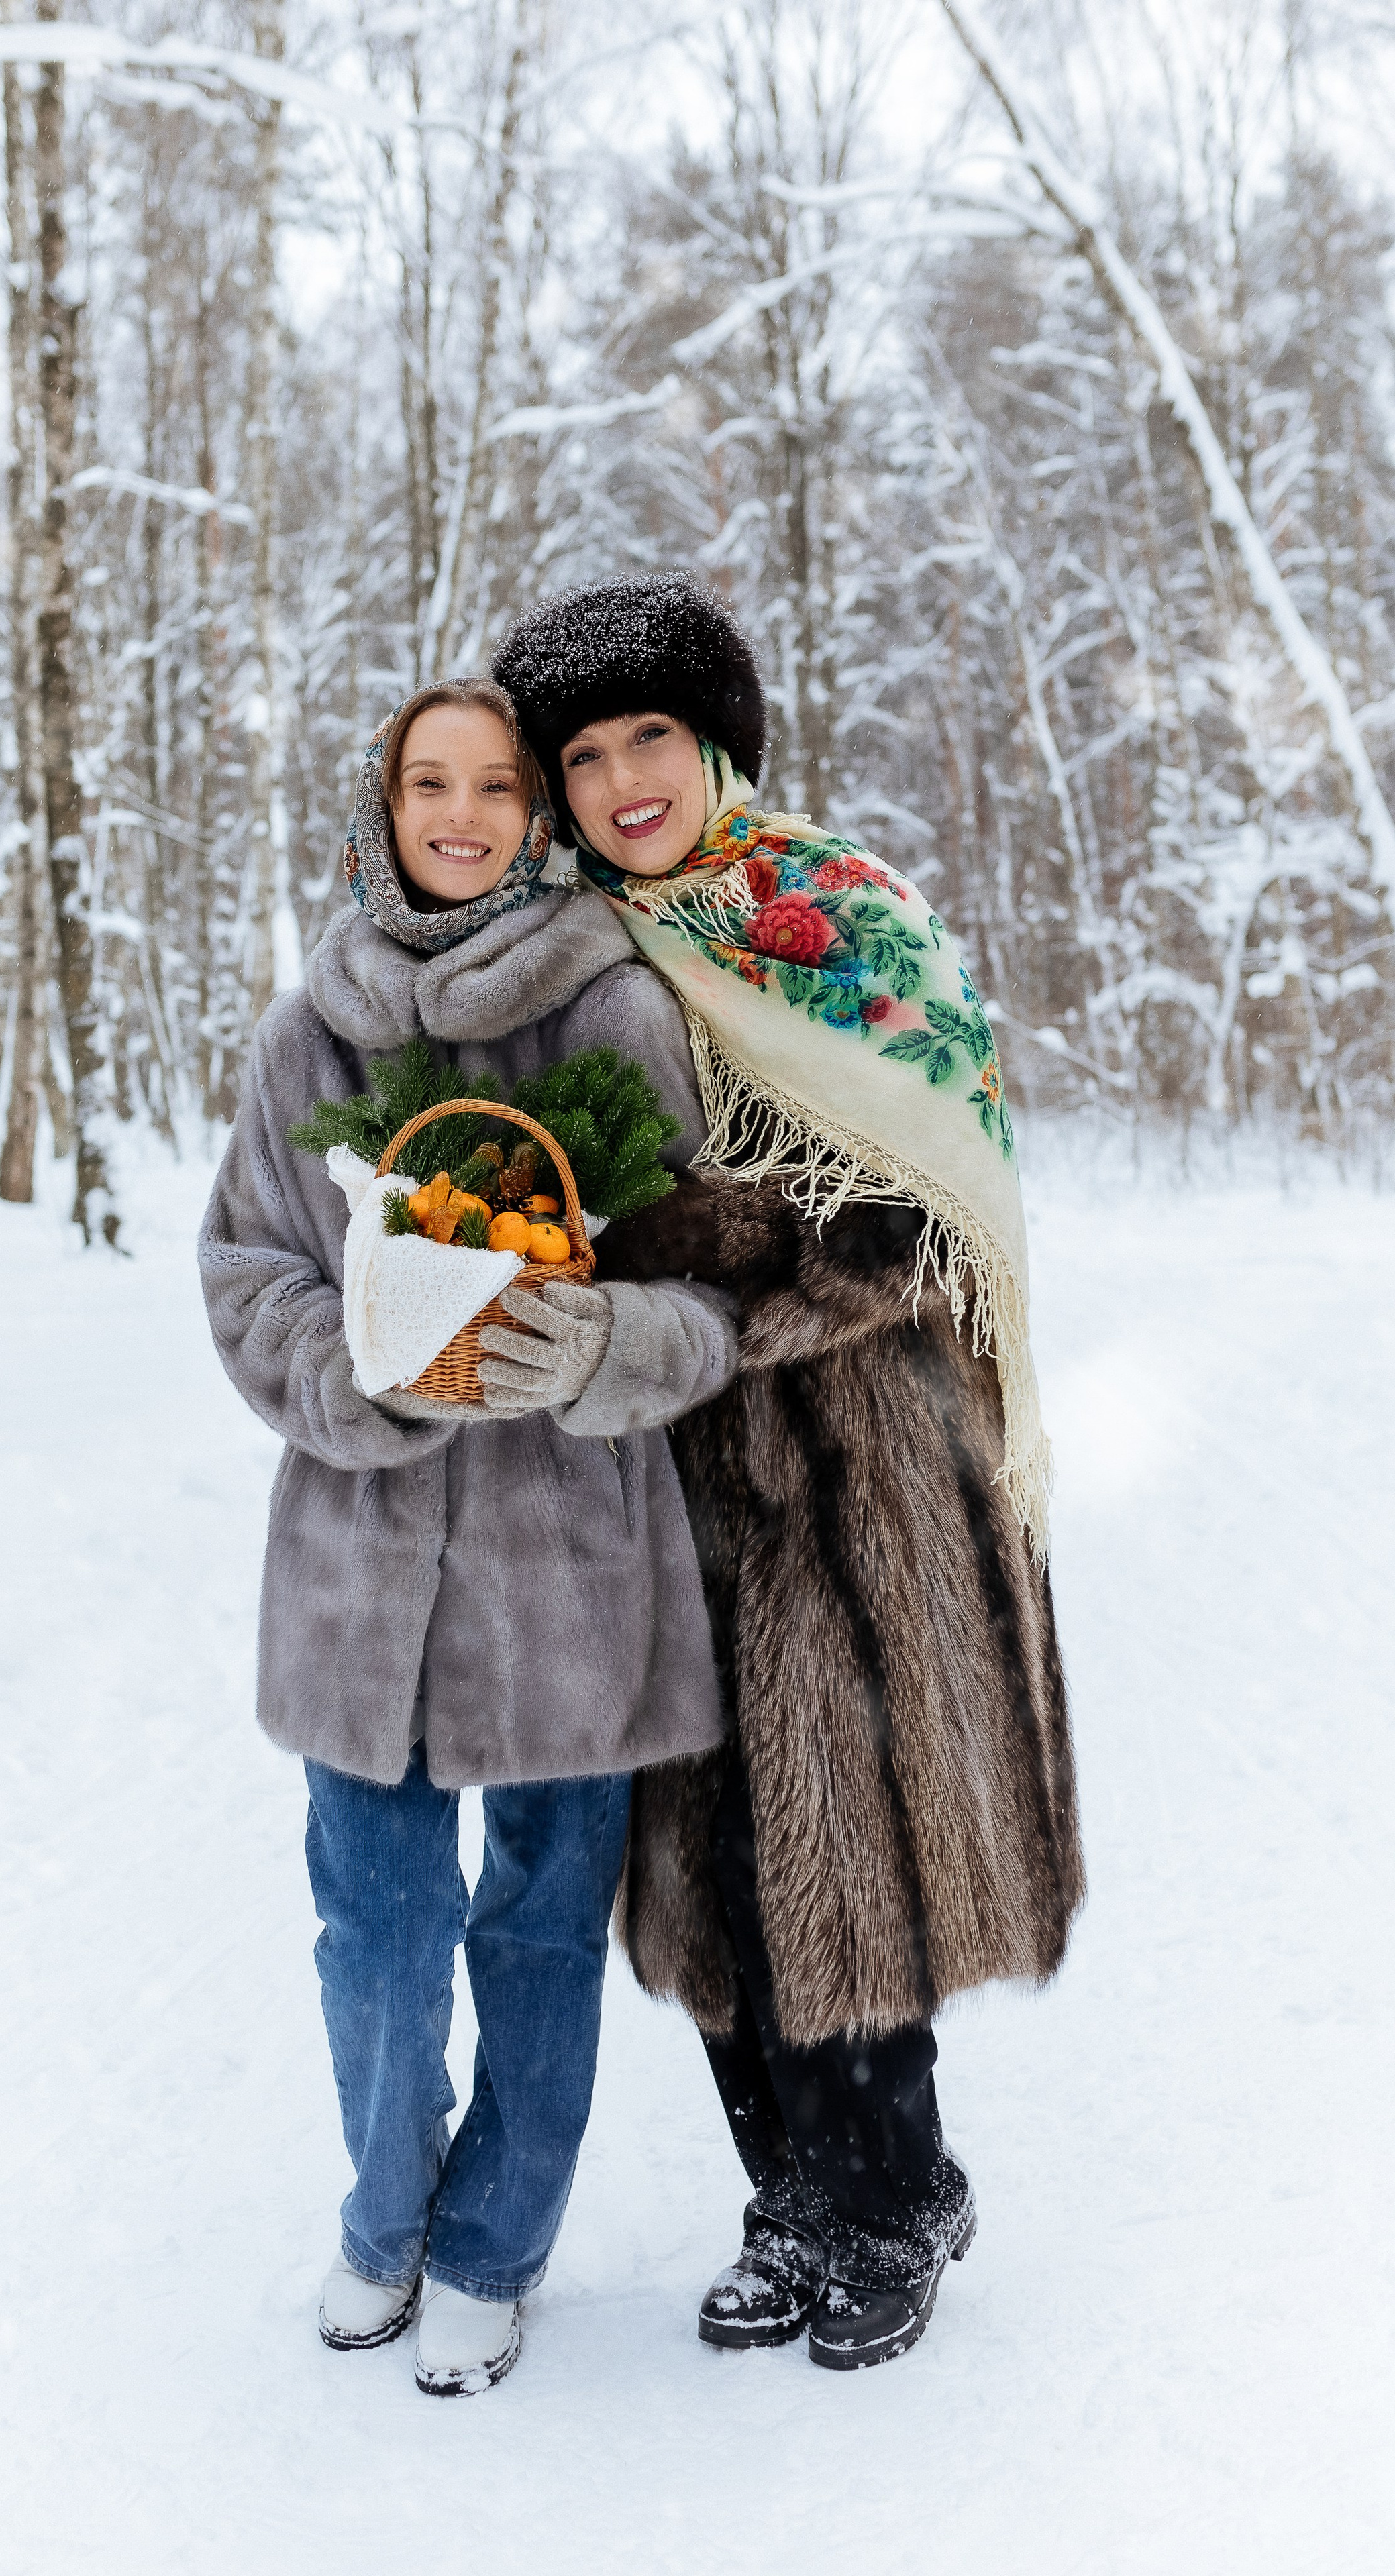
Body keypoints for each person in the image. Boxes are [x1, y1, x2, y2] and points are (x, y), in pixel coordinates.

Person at [493, 578, 1084, 2369]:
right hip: (656, 1460)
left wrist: (693, 1262)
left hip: (859, 1451)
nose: (622, 782)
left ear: (716, 742)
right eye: (583, 758)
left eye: (649, 738)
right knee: (708, 1864)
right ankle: (786, 2190)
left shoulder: (843, 919)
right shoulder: (574, 959)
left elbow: (926, 1206)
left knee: (855, 1834)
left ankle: (888, 2198)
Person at [197, 678, 737, 2395]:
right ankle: (381, 2212)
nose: (460, 813)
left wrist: (600, 1347)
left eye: (495, 785)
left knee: (535, 1929)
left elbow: (709, 1291)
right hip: (360, 1578)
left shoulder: (614, 1017)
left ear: (533, 813)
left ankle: (497, 2238)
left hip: (567, 1574)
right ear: (383, 803)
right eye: (428, 782)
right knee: (372, 1927)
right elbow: (245, 1273)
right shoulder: (310, 1034)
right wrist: (358, 1375)